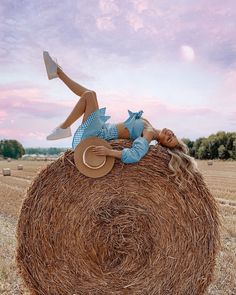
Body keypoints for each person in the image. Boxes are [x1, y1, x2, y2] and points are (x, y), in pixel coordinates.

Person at [43, 51, 198, 183]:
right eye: (173, 135)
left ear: (162, 143)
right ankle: (58, 73)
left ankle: (64, 127)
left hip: (98, 134)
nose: (170, 134)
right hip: (101, 128)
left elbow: (135, 155)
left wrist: (109, 152)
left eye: (169, 139)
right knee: (90, 95)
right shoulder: (149, 126)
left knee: (90, 95)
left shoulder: (149, 135)